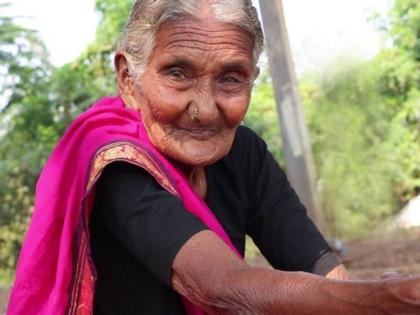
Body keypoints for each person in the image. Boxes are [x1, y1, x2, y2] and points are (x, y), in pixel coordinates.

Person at [7, 1, 420, 314]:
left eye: (230, 79)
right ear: (128, 80)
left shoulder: (244, 151)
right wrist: (388, 296)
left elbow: (321, 271)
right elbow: (221, 285)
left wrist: (368, 297)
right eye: (178, 73)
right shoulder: (116, 161)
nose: (204, 109)